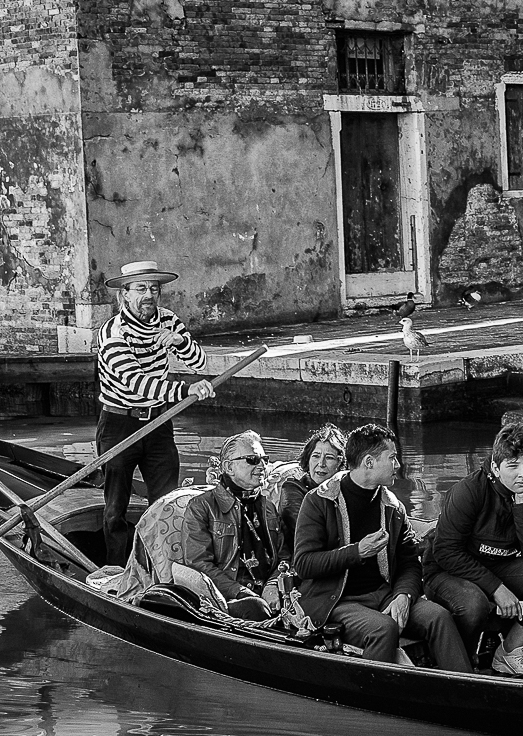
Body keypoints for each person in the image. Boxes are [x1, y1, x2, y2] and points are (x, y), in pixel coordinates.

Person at [294, 423, 471, 670]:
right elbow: (303, 565)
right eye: (392, 458)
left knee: (438, 617)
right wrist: (356, 552)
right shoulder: (318, 501)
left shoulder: (393, 507)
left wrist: (404, 595)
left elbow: (410, 563)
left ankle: (464, 689)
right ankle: (377, 697)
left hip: (384, 594)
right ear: (368, 462)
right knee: (383, 628)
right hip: (337, 601)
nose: (398, 466)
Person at [423, 426, 523, 682]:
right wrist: (497, 588)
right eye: (513, 466)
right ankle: (463, 664)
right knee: (474, 603)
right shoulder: (469, 491)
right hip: (448, 571)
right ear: (495, 467)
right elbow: (446, 552)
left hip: (502, 563)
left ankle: (510, 650)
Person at [95, 261, 216, 565]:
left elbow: (199, 363)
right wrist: (185, 391)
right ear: (124, 294)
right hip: (119, 424)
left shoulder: (169, 321)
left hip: (159, 423)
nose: (149, 294)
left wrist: (180, 340)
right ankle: (114, 570)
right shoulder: (112, 333)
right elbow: (137, 383)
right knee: (115, 510)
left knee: (167, 503)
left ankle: (161, 567)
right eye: (140, 288)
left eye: (154, 288)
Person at [178, 430, 286, 621]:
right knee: (255, 609)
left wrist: (273, 585)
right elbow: (198, 564)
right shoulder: (201, 506)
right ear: (228, 467)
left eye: (265, 459)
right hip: (227, 598)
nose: (262, 466)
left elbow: (284, 555)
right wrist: (241, 592)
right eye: (252, 459)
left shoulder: (268, 507)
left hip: (270, 593)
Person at [274, 423, 345, 539]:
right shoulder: (292, 489)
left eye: (329, 458)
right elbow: (308, 534)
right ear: (308, 459)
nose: (321, 464)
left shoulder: (345, 490)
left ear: (341, 463)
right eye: (316, 456)